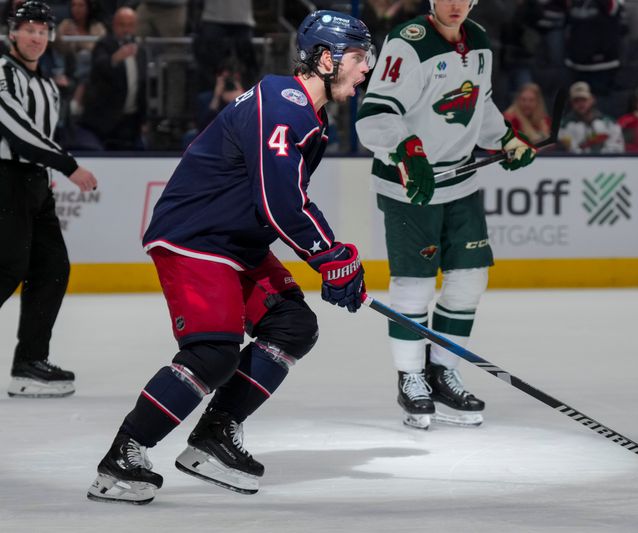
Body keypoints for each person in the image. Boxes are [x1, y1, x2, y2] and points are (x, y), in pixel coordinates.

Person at [86, 10, 373, 505]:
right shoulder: (285, 105)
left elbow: (288, 199)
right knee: (212, 352)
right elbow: (280, 202)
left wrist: (335, 258)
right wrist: (330, 255)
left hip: (235, 243)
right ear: (326, 59)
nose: (366, 67)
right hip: (197, 238)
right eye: (358, 57)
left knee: (292, 326)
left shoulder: (305, 111)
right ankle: (123, 457)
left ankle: (215, 435)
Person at [355, 0, 537, 431]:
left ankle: (442, 372)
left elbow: (479, 104)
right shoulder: (408, 44)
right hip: (410, 185)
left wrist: (506, 140)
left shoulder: (480, 40)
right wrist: (406, 148)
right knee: (414, 285)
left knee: (470, 279)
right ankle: (411, 377)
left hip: (461, 182)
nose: (454, 4)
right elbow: (374, 116)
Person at [0, 0, 98, 398]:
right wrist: (67, 165)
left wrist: (47, 173)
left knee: (53, 267)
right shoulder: (3, 72)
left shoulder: (45, 85)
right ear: (12, 32)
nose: (37, 37)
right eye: (30, 29)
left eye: (43, 30)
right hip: (4, 178)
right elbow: (16, 129)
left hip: (35, 182)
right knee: (8, 268)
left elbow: (42, 135)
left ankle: (30, 363)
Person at [77, 6, 147, 150]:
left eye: (130, 25)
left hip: (131, 120)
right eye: (122, 25)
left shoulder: (140, 51)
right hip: (106, 121)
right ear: (114, 25)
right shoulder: (104, 45)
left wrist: (143, 120)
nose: (126, 30)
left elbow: (142, 86)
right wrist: (115, 58)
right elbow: (99, 67)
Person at [557, 81, 624, 153]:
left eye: (584, 99)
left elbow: (618, 149)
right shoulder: (563, 126)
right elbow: (566, 151)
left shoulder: (609, 123)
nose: (580, 104)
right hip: (575, 163)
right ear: (571, 103)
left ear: (592, 99)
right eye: (576, 100)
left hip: (605, 163)